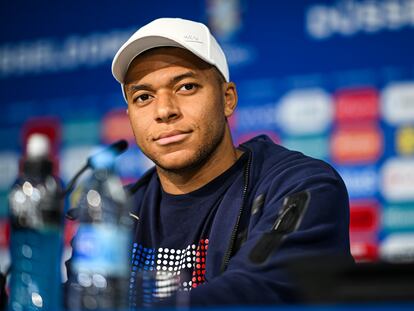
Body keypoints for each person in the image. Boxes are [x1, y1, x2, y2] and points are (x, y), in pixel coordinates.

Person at [111, 17, 353, 306]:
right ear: (130, 116)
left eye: (186, 87)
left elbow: (257, 290)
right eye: (143, 96)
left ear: (227, 99)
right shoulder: (116, 212)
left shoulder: (303, 186)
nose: (164, 110)